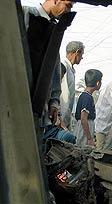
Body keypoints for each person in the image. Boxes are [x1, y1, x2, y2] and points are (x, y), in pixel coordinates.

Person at [22, 0, 74, 130]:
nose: (68, 11)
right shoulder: (25, 14)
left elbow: (54, 68)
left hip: (38, 110)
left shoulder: (55, 29)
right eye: (67, 5)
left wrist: (54, 101)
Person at [74, 69, 103, 147]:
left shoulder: (86, 96)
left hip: (85, 127)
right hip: (84, 129)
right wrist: (89, 138)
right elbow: (83, 119)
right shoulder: (87, 97)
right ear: (98, 83)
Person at [60, 41, 85, 129]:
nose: (82, 58)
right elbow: (65, 96)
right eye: (81, 54)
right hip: (60, 118)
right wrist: (61, 120)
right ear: (77, 52)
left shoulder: (71, 69)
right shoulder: (64, 66)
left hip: (65, 117)